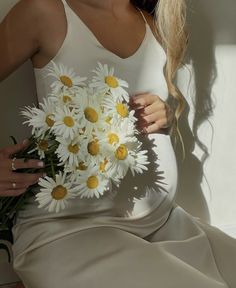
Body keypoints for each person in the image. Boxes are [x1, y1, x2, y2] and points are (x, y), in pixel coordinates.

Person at [0, 0, 235, 287]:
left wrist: (166, 113)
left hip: (163, 224)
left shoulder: (151, 23)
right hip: (70, 232)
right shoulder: (44, 11)